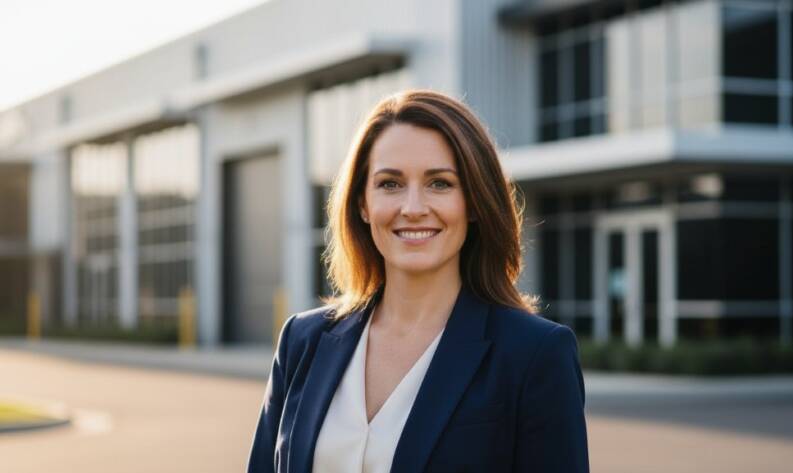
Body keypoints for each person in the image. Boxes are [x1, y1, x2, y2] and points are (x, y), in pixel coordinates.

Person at [247, 90, 589, 473]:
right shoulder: (302, 342)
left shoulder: (534, 355)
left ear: (474, 202)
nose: (412, 208)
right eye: (390, 184)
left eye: (439, 184)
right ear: (363, 202)